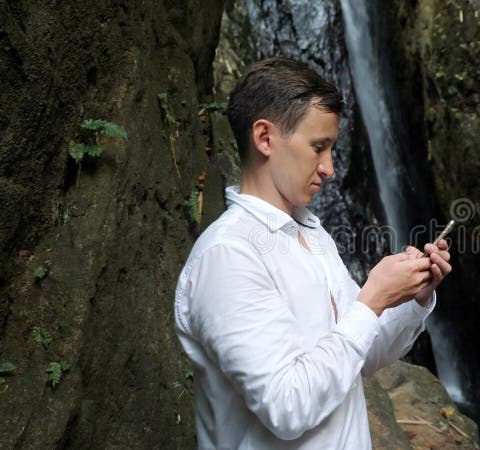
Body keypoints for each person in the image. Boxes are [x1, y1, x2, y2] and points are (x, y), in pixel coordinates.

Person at [174, 57, 452, 449]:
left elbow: (360, 355)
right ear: (265, 138)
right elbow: (288, 407)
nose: (330, 169)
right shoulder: (227, 257)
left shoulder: (311, 234)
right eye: (318, 148)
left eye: (332, 149)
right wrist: (371, 300)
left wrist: (411, 297)